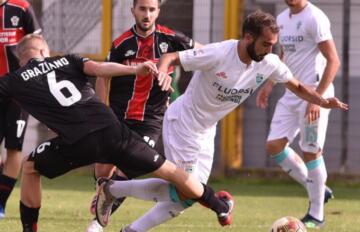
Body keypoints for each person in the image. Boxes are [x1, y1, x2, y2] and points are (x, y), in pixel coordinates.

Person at [102, 9, 348, 232]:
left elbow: (297, 86)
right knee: (188, 190)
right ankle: (113, 190)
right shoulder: (220, 52)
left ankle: (122, 211)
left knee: (186, 198)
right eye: (266, 44)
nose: (270, 51)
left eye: (273, 45)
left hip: (207, 129)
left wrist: (322, 100)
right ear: (248, 38)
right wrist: (163, 74)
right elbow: (171, 57)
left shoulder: (269, 62)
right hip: (184, 123)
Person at [0, 34, 233, 232]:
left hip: (79, 143)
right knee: (172, 172)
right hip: (114, 132)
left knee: (30, 167)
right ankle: (219, 206)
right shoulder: (66, 60)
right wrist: (135, 69)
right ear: (44, 50)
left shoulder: (12, 80)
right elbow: (101, 69)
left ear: (21, 59)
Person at [87, 0, 200, 231]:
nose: (147, 14)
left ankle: (96, 225)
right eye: (142, 9)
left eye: (151, 10)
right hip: (119, 116)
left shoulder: (171, 39)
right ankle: (104, 194)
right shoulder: (121, 44)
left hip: (150, 121)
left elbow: (207, 53)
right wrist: (101, 111)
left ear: (158, 11)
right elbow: (102, 76)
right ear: (133, 11)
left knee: (128, 167)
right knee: (102, 171)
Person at [256, 1, 340, 229]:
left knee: (311, 151)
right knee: (274, 146)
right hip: (291, 94)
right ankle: (317, 189)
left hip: (314, 92)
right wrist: (270, 84)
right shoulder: (282, 19)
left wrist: (318, 98)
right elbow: (283, 55)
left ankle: (316, 215)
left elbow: (334, 60)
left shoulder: (315, 17)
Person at [0, 0, 41, 219]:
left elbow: (38, 45)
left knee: (14, 147)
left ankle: (1, 204)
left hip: (19, 91)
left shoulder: (21, 7)